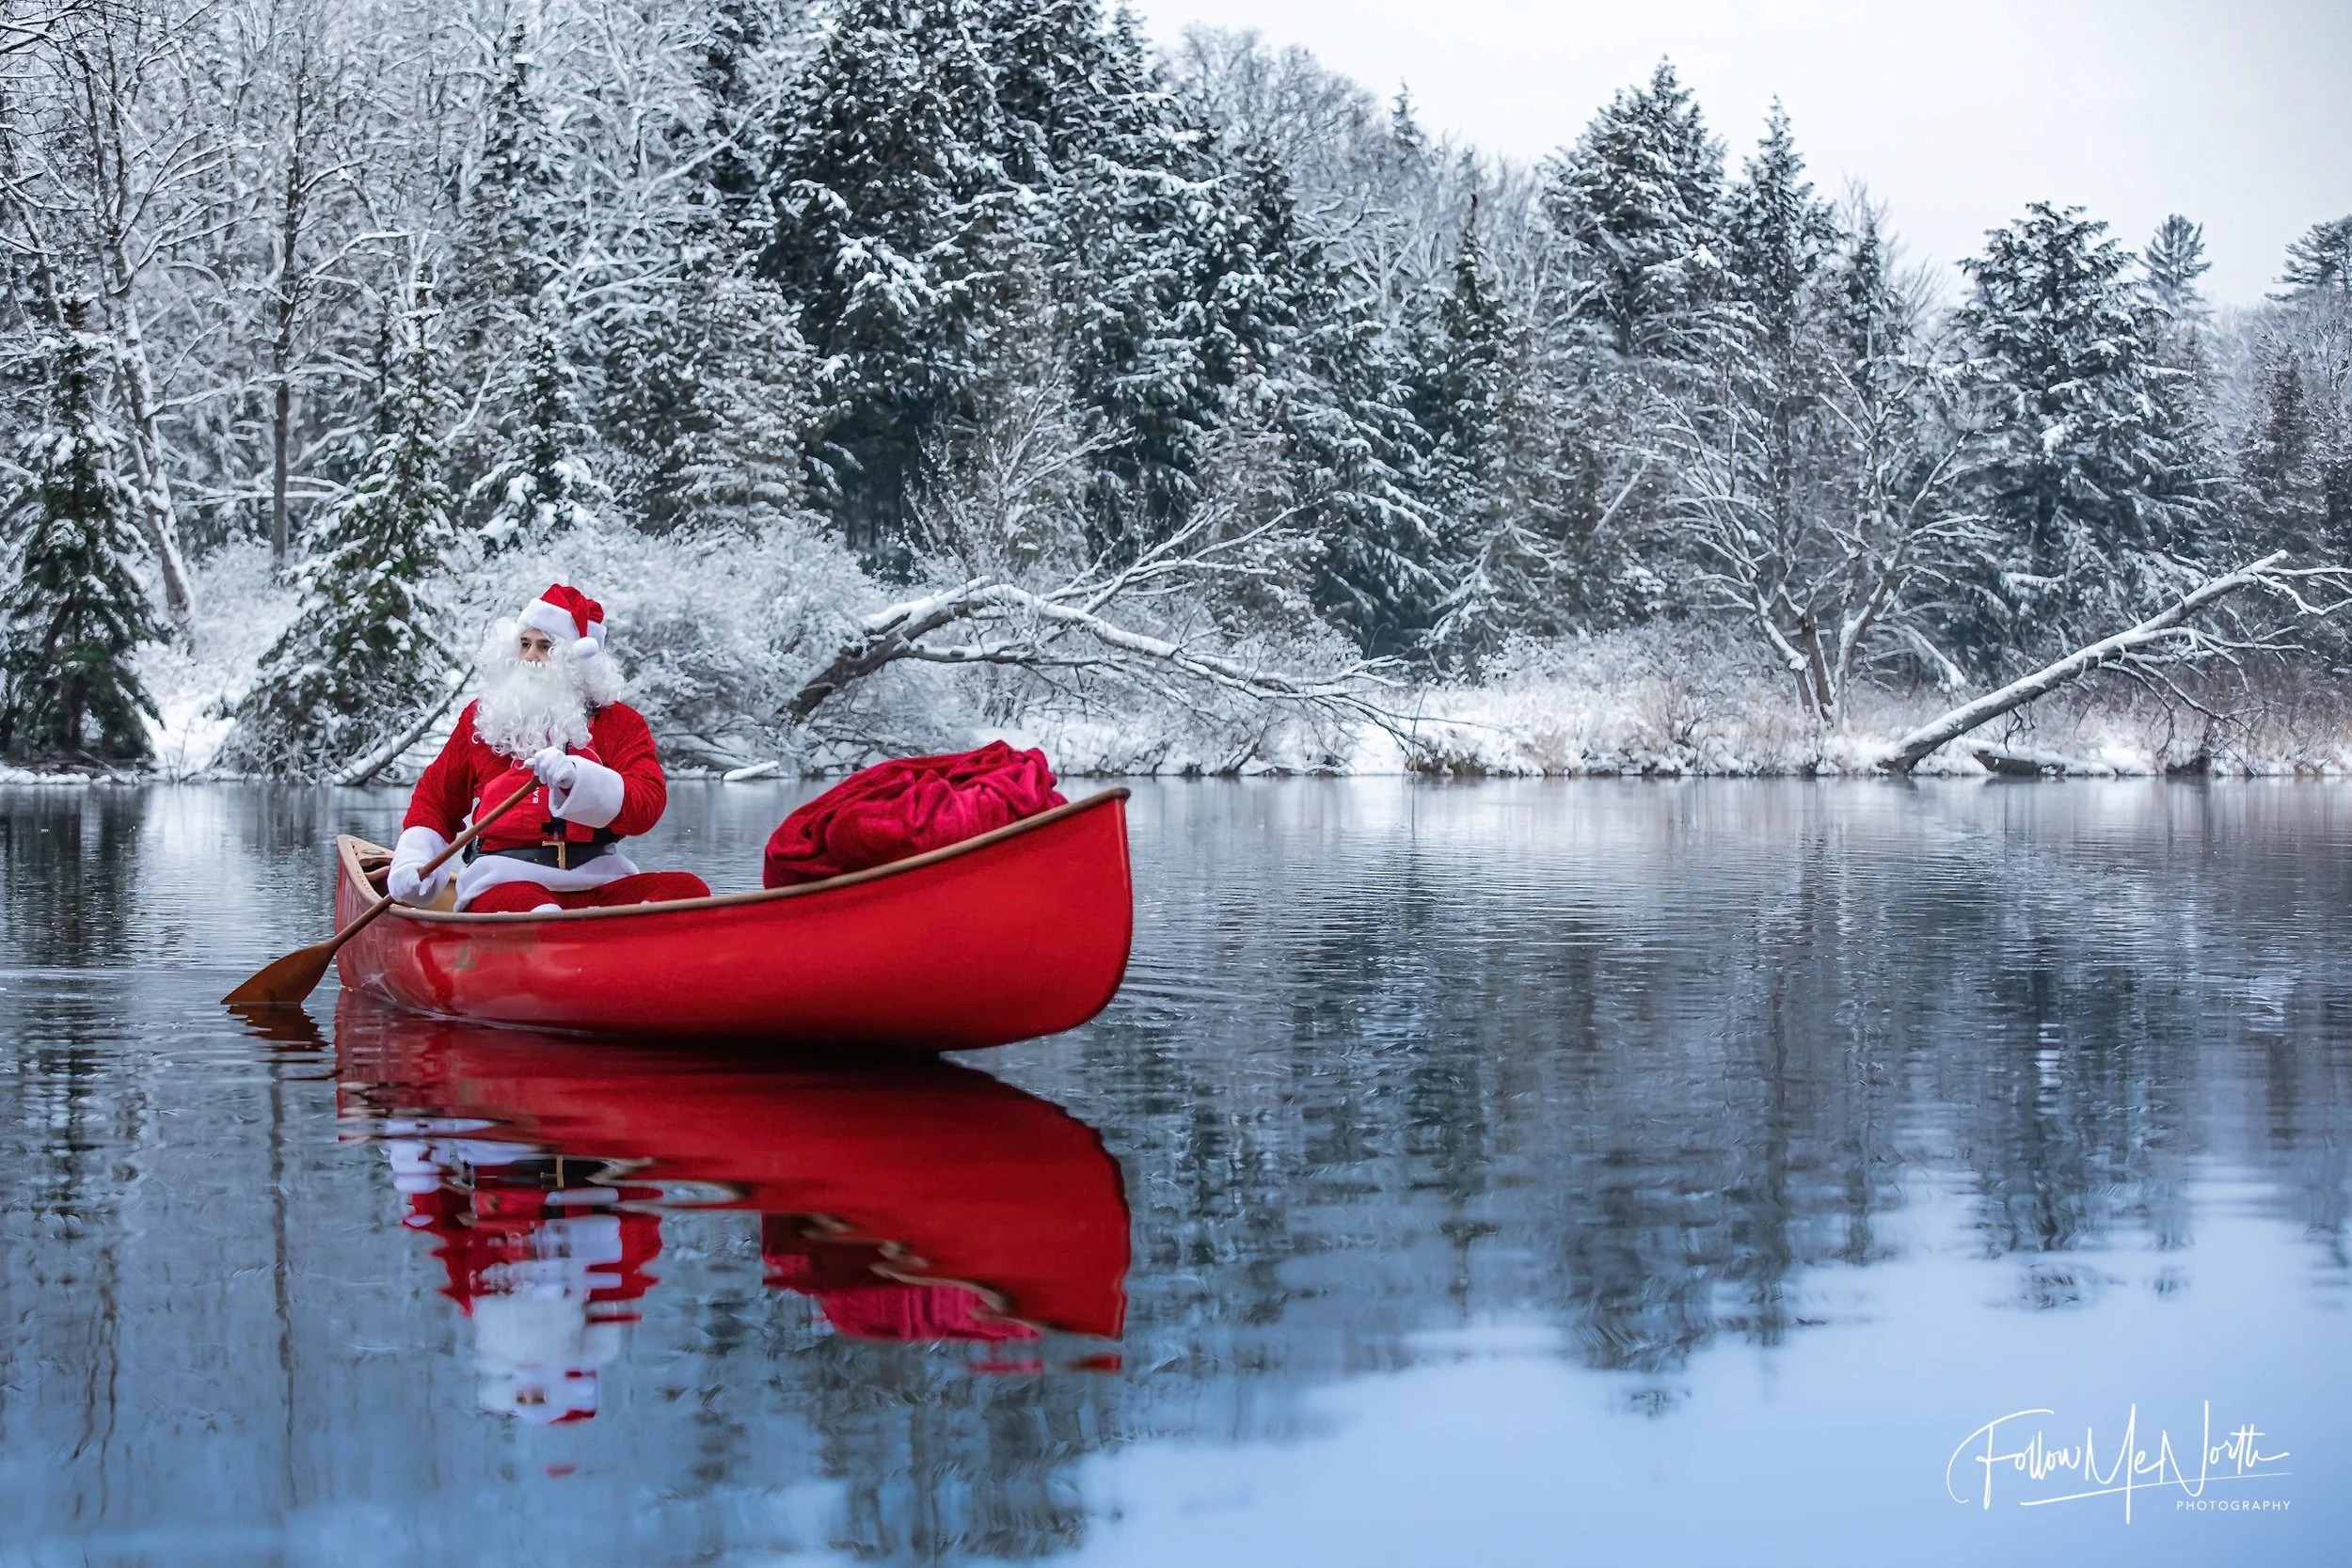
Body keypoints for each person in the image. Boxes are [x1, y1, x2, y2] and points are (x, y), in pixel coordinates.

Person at [387, 584, 709, 913]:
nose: (529, 656)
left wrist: (580, 780)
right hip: (503, 879)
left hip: (598, 879)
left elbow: (647, 804)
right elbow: (436, 800)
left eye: (545, 647)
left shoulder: (621, 723)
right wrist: (415, 858)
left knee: (687, 891)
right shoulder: (483, 718)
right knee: (536, 912)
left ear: (574, 661)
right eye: (524, 644)